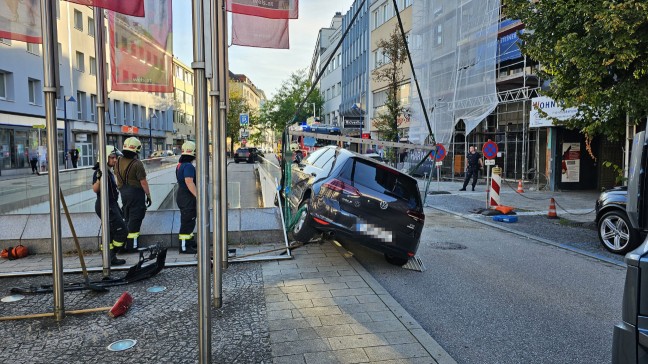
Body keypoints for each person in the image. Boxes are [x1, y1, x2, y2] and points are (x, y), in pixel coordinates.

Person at [115, 137, 152, 252]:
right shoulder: (137, 164)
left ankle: (124, 243)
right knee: (135, 219)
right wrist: (149, 195)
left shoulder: (118, 161)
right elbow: (143, 182)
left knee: (127, 217)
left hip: (123, 193)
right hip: (136, 194)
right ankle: (132, 246)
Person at [91, 146, 127, 266]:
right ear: (104, 158)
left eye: (115, 158)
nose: (115, 160)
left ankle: (110, 256)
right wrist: (99, 179)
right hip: (105, 205)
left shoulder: (108, 171)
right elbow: (95, 189)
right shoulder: (99, 172)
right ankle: (110, 255)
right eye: (112, 158)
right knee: (122, 230)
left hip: (112, 204)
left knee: (110, 232)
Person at [175, 141, 197, 254]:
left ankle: (189, 243)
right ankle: (184, 247)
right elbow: (189, 182)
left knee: (189, 221)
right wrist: (199, 196)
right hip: (187, 198)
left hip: (182, 196)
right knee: (187, 222)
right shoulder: (188, 166)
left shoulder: (180, 165)